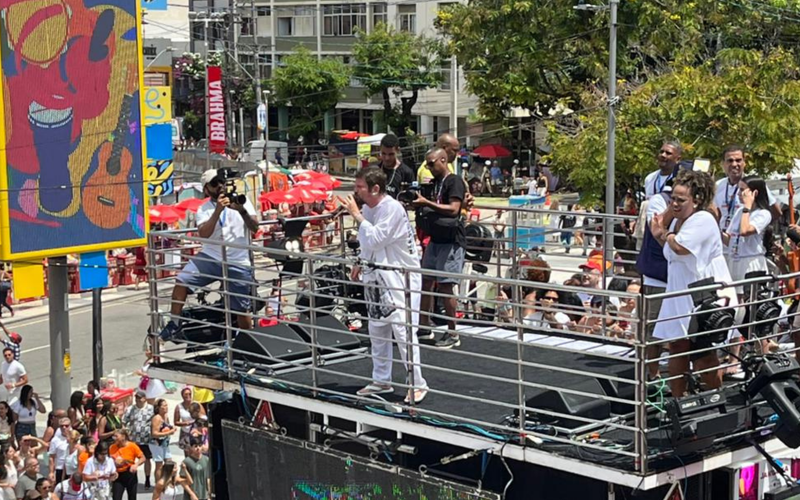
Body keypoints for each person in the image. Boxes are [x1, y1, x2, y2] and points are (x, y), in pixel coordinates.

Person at [338, 167, 428, 404]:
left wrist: (357, 216)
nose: (355, 191)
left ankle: (417, 383)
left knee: (403, 330)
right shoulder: (368, 208)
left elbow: (377, 238)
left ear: (375, 188)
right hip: (376, 274)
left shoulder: (392, 209)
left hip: (400, 277)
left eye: (360, 187)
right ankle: (381, 379)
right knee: (377, 329)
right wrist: (360, 261)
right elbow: (367, 242)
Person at [650, 169, 736, 396]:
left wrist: (665, 232)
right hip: (679, 290)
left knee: (703, 354)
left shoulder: (703, 219)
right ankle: (678, 402)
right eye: (672, 199)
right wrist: (663, 233)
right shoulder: (682, 221)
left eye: (680, 200)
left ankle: (714, 399)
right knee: (677, 348)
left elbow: (679, 246)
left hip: (702, 292)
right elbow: (671, 249)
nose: (674, 204)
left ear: (696, 200)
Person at [157, 168, 259, 342]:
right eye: (214, 183)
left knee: (241, 310)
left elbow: (255, 228)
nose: (220, 186)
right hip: (211, 256)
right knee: (182, 281)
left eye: (221, 182)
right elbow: (204, 233)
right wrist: (218, 210)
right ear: (206, 189)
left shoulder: (243, 201)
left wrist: (241, 210)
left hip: (238, 260)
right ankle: (175, 323)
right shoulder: (204, 208)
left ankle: (251, 342)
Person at [412, 148, 466, 350]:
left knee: (445, 285)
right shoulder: (434, 184)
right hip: (435, 238)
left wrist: (426, 203)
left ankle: (452, 332)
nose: (429, 167)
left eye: (432, 163)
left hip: (451, 241)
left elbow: (454, 209)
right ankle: (424, 326)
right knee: (425, 282)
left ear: (443, 160)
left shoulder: (454, 181)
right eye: (427, 163)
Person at [635, 142, 681, 379]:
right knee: (652, 324)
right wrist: (675, 207)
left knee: (676, 325)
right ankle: (651, 374)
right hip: (657, 269)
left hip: (679, 272)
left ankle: (673, 371)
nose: (662, 155)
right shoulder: (658, 197)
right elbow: (658, 226)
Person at [121, 391, 152, 489]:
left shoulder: (151, 409)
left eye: (140, 398)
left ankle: (147, 478)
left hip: (146, 439)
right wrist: (125, 432)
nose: (138, 399)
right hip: (133, 439)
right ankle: (132, 477)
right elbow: (124, 421)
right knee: (131, 459)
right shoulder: (130, 409)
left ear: (144, 398)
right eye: (137, 397)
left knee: (147, 459)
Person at [376, 134, 415, 200]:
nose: (387, 158)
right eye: (383, 153)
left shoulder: (406, 172)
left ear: (397, 150)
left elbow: (411, 197)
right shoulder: (374, 170)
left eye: (391, 154)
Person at [108, 430, 143, 500]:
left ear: (123, 437)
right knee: (116, 497)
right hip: (117, 475)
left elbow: (143, 457)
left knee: (132, 497)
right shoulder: (112, 447)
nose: (114, 438)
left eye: (116, 436)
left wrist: (136, 465)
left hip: (129, 473)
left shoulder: (132, 446)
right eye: (113, 436)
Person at [149, 400, 176, 483]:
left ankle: (168, 481)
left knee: (169, 462)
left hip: (165, 443)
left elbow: (166, 426)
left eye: (166, 405)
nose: (166, 407)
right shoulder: (157, 418)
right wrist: (169, 432)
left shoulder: (165, 416)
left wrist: (172, 428)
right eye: (163, 406)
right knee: (159, 465)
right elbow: (154, 433)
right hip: (156, 444)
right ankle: (158, 483)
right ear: (158, 408)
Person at [47, 419, 70, 484]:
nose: (64, 428)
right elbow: (51, 457)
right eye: (61, 426)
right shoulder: (55, 440)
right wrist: (51, 472)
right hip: (60, 468)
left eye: (66, 426)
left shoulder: (75, 438)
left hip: (71, 468)